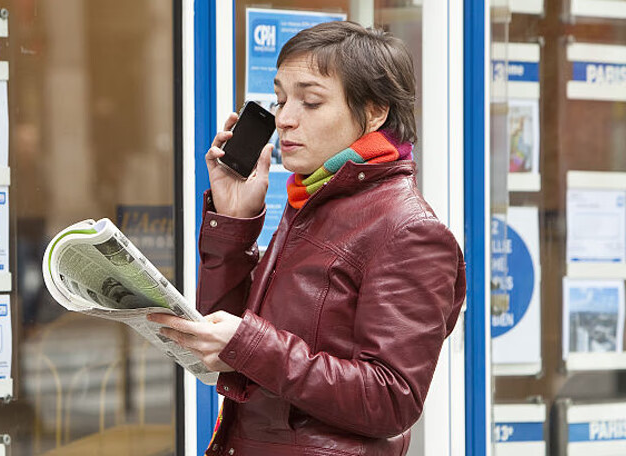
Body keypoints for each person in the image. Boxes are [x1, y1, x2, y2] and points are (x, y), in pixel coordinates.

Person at [149, 21, 466, 455]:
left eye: (311, 101)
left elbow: (392, 399)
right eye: (280, 99)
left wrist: (250, 345)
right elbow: (223, 334)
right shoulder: (311, 199)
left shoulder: (410, 230)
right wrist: (234, 219)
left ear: (375, 112)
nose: (284, 118)